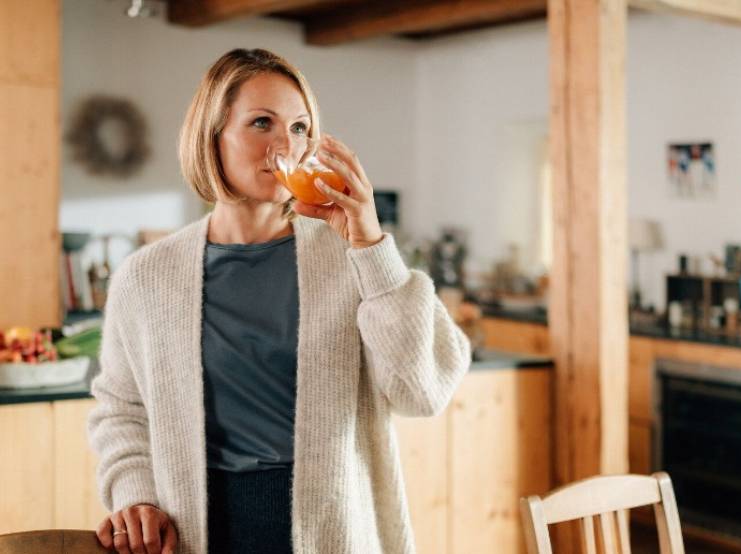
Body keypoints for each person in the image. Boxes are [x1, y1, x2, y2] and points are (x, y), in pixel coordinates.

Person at [88, 48, 471, 554]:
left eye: (298, 128)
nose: (283, 146)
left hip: (332, 529)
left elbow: (421, 394)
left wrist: (373, 247)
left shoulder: (353, 254)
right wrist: (135, 495)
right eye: (261, 123)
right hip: (199, 530)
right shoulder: (146, 276)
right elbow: (121, 408)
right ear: (213, 137)